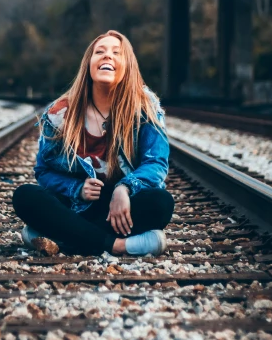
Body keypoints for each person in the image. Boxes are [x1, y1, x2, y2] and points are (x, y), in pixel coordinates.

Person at [12, 30, 174, 257]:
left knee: (161, 202)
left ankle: (60, 238)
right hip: (76, 206)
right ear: (88, 63)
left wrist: (124, 188)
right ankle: (118, 246)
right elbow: (43, 170)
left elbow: (156, 163)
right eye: (100, 51)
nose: (107, 56)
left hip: (120, 208)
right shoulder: (60, 113)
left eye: (116, 53)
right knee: (25, 196)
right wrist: (76, 189)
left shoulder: (145, 108)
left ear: (128, 66)